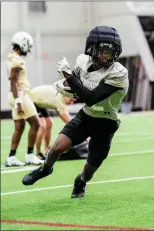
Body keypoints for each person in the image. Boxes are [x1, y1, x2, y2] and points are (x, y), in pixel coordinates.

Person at [22, 25, 129, 199]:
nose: (106, 56)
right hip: (86, 116)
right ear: (92, 49)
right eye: (102, 51)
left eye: (110, 53)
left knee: (90, 170)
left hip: (106, 123)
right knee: (57, 148)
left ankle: (81, 181)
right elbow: (76, 86)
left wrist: (68, 75)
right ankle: (45, 168)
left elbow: (91, 97)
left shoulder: (119, 73)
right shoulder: (83, 61)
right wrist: (66, 83)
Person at [5, 31, 44, 167]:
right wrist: (19, 100)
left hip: (15, 95)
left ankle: (11, 157)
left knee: (19, 127)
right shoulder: (17, 60)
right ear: (22, 43)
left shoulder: (12, 58)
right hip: (20, 95)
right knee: (36, 124)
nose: (28, 48)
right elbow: (14, 82)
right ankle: (29, 155)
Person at [29, 85, 77, 160]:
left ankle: (46, 150)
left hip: (39, 101)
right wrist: (81, 132)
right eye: (71, 100)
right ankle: (37, 153)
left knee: (49, 123)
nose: (71, 103)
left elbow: (62, 115)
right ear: (66, 96)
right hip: (32, 100)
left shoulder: (61, 96)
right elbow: (68, 120)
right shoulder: (60, 100)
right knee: (42, 126)